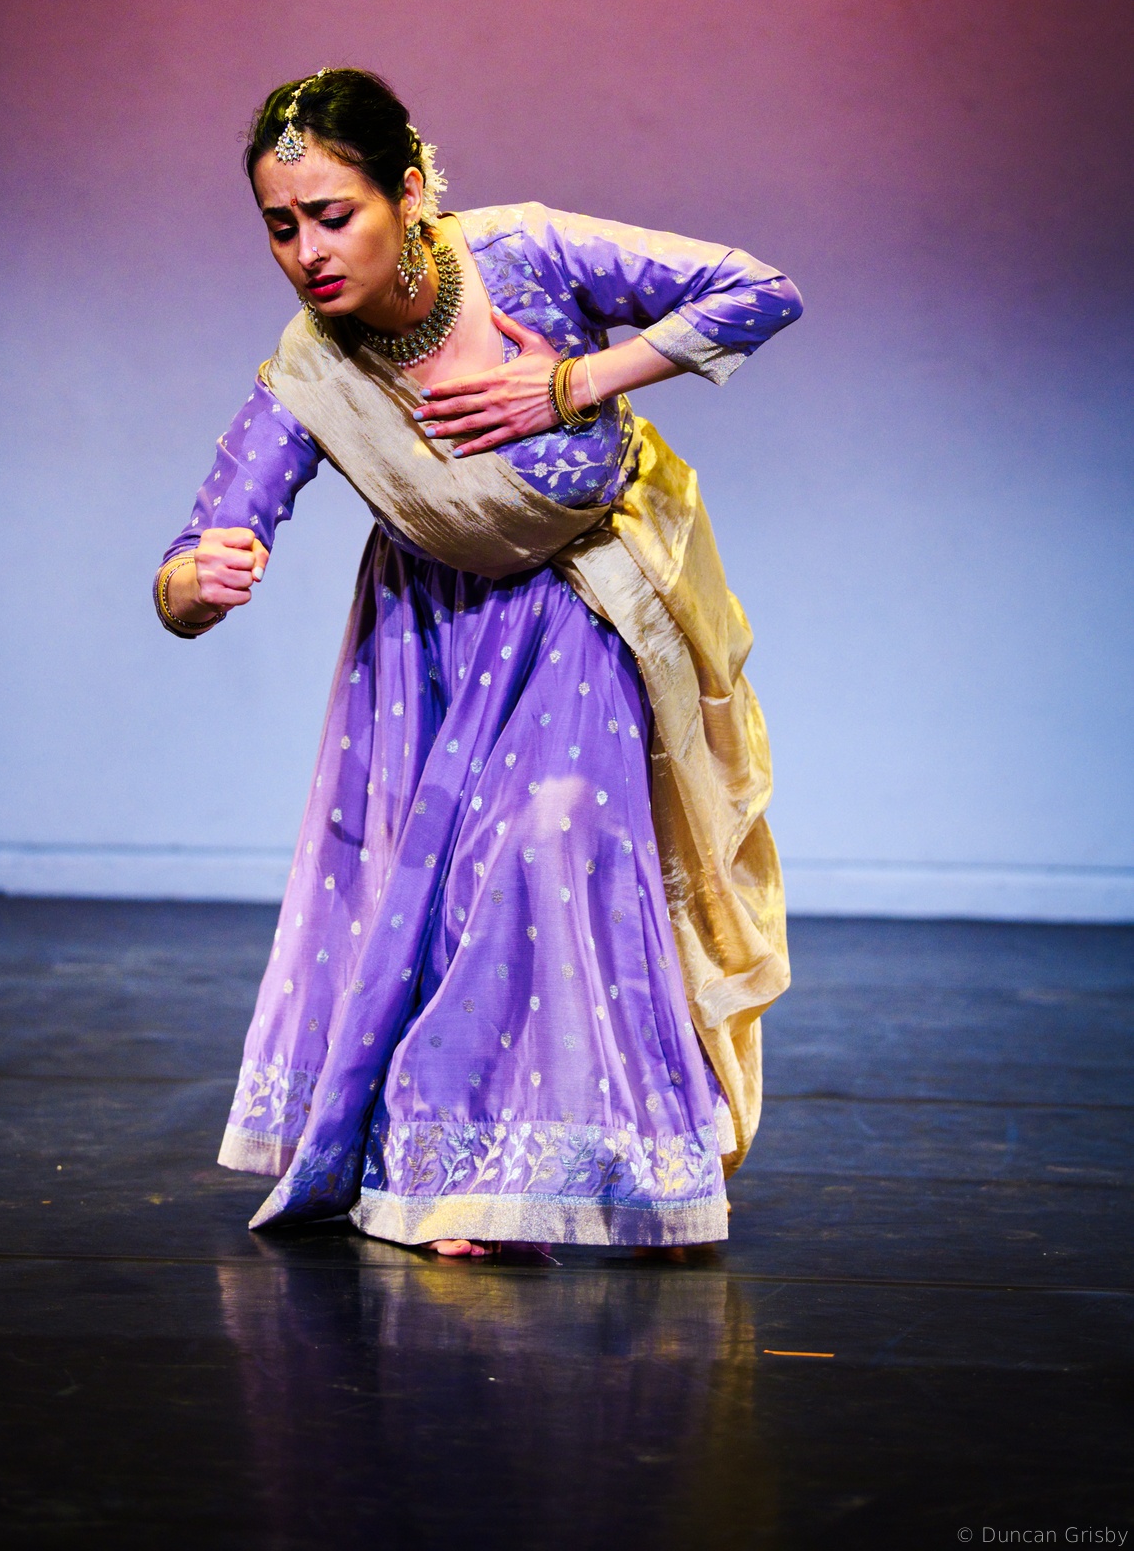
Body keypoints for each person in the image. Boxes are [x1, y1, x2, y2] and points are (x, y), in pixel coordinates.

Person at [155, 68, 802, 1256]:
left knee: (547, 846)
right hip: (430, 641)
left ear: (407, 191)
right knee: (448, 892)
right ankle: (462, 1173)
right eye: (280, 226)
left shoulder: (524, 254)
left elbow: (759, 291)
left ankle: (580, 1158)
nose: (306, 251)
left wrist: (571, 382)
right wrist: (195, 583)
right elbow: (198, 548)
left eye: (332, 214)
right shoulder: (311, 367)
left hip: (580, 600)